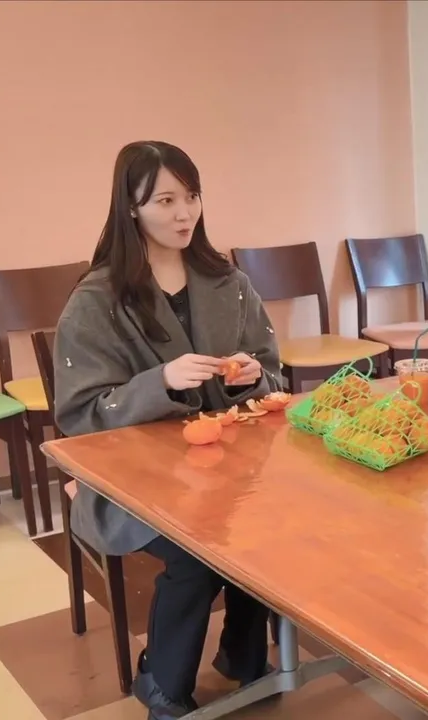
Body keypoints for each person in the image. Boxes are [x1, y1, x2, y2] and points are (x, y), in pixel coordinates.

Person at [54, 141, 281, 719]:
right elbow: (79, 415)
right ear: (130, 208)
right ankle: (161, 681)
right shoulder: (97, 298)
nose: (185, 214)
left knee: (269, 522)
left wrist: (251, 376)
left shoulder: (229, 282)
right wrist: (161, 382)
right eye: (165, 200)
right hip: (133, 479)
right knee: (199, 551)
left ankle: (243, 655)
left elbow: (273, 373)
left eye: (192, 197)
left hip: (226, 466)